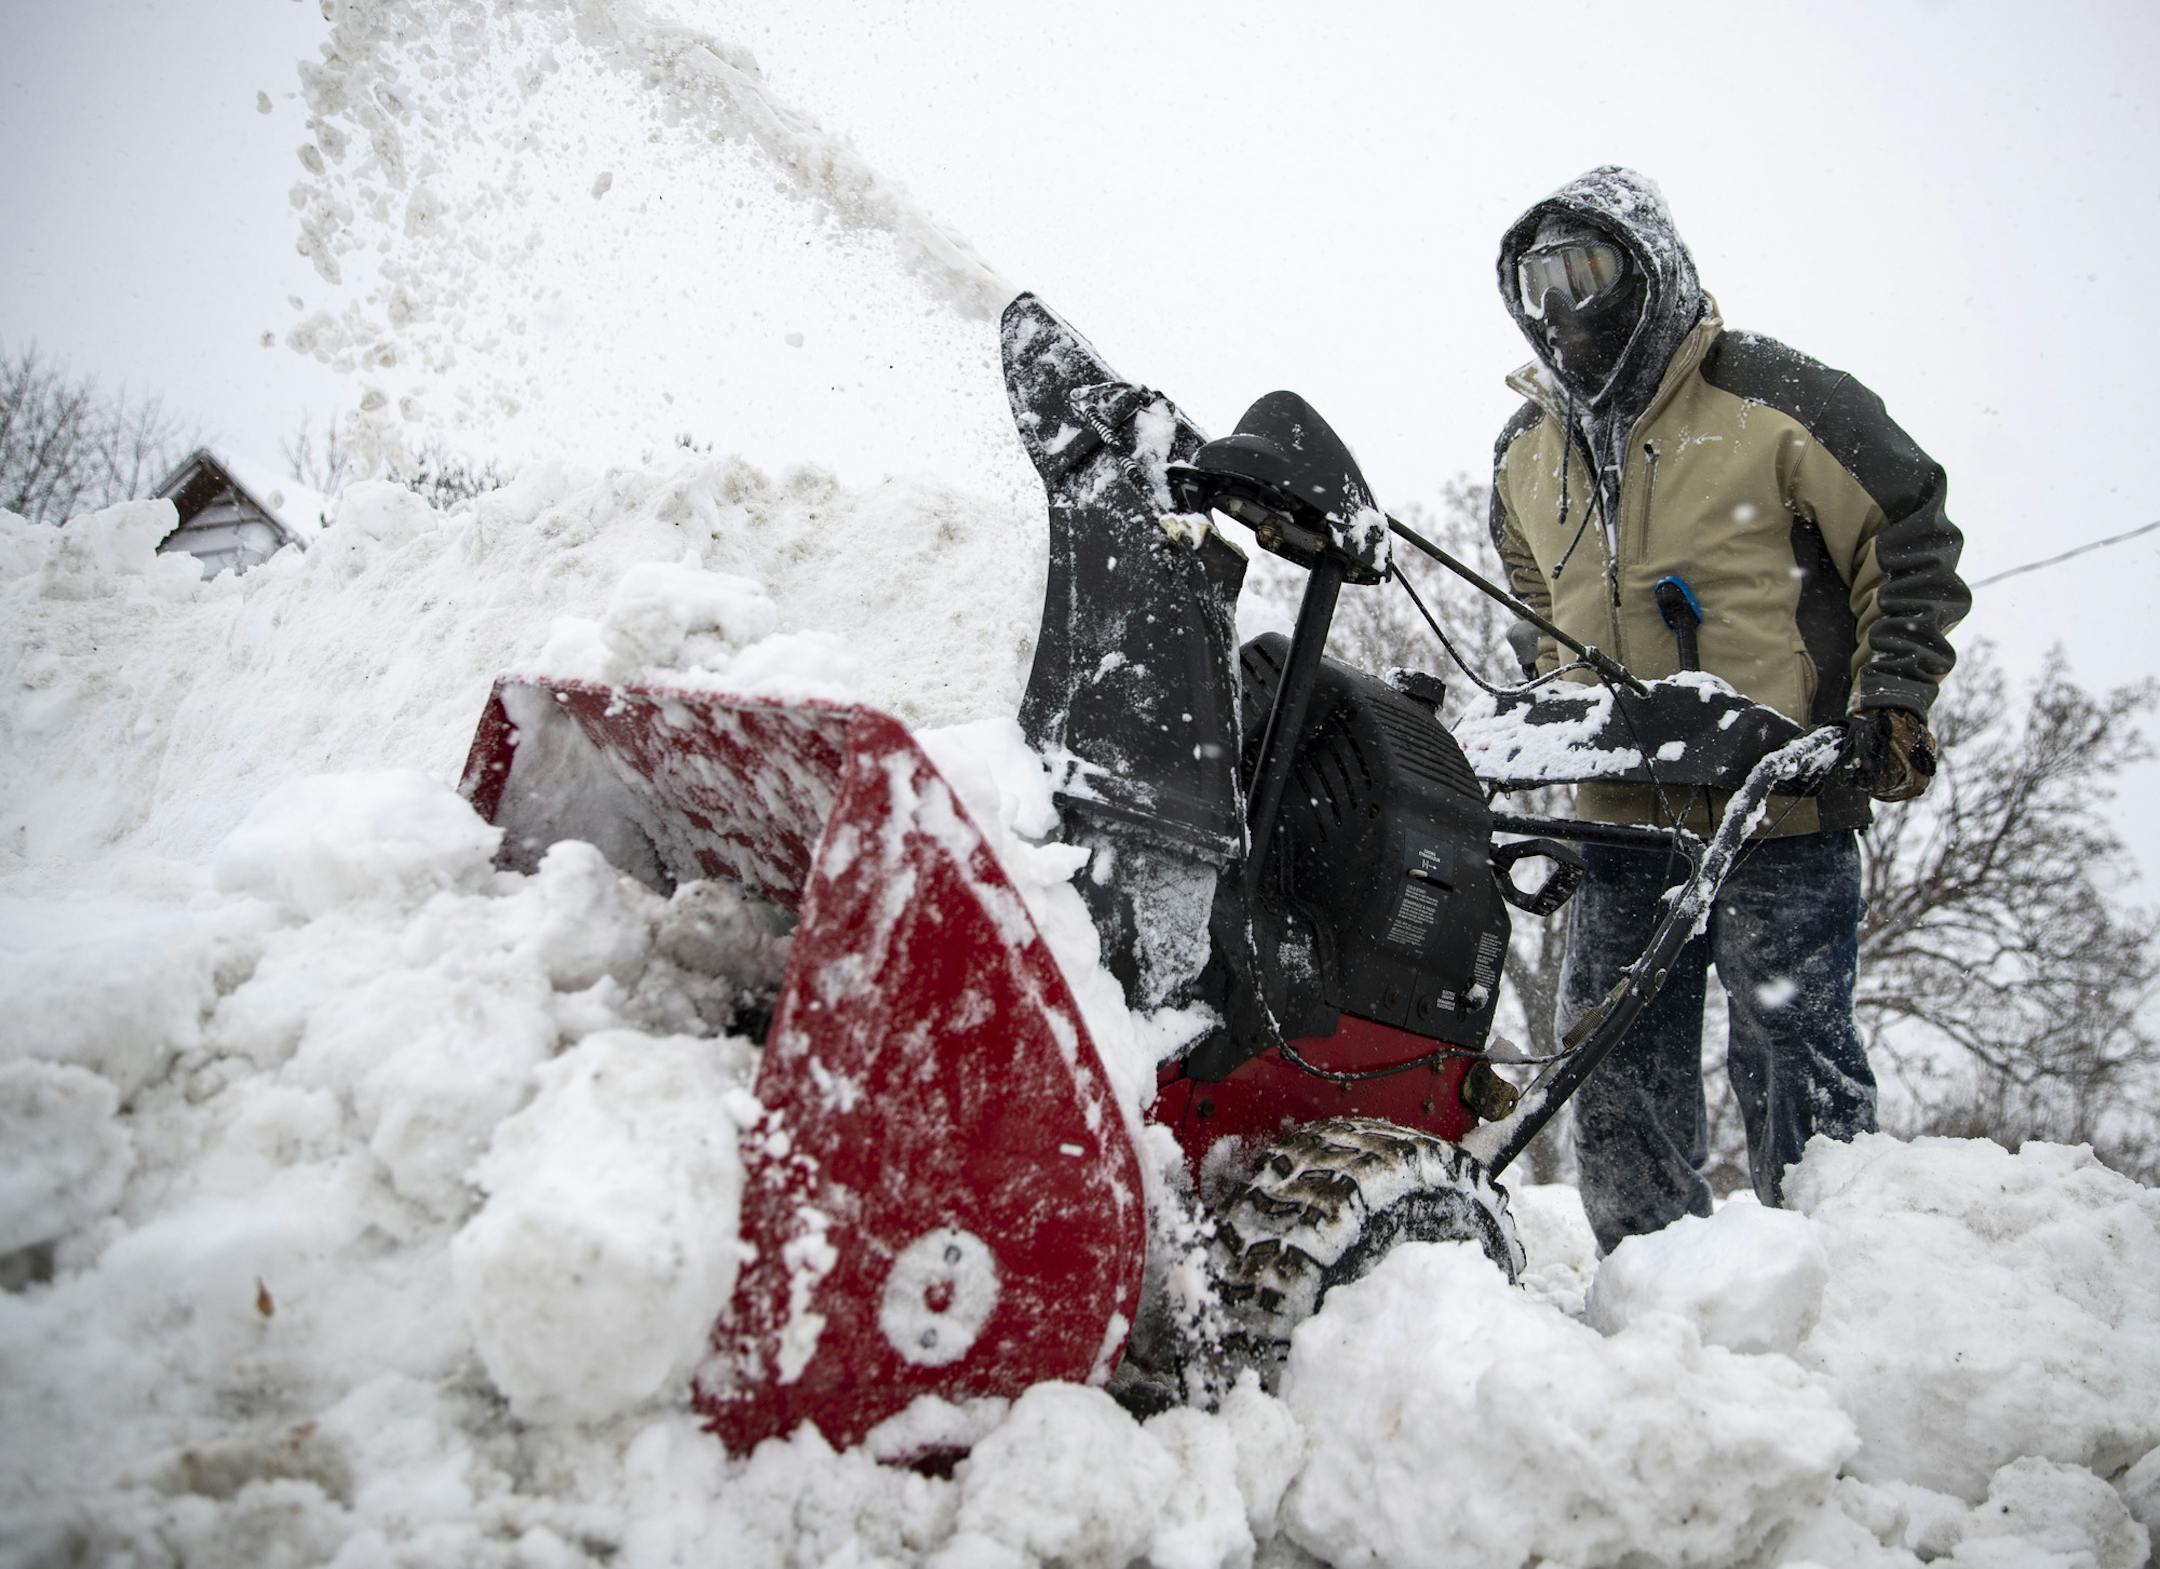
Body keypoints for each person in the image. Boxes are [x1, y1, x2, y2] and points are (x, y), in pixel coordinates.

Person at [1485, 166, 1971, 1252]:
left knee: (1792, 1045)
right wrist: (1544, 710)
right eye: (1538, 279)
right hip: (1617, 810)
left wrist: (1890, 697)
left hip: (1779, 806)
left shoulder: (1778, 402)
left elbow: (1907, 536)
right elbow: (1533, 601)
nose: (1565, 300)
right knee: (1612, 1063)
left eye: (1589, 266)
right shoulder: (1524, 452)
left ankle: (1835, 1280)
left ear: (1648, 266)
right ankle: (1653, 1289)